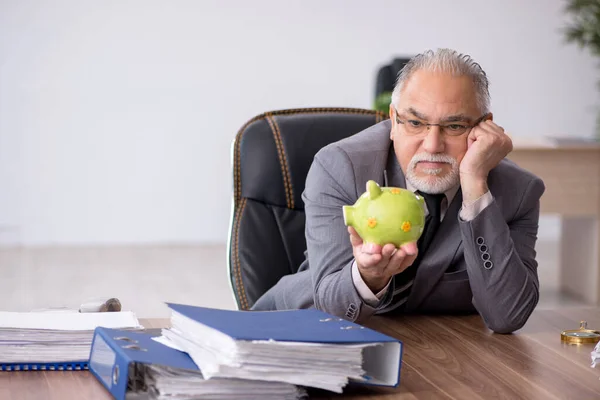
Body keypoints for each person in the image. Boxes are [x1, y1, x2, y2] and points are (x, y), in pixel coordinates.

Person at [251, 48, 545, 334]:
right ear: (393, 120)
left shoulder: (518, 191)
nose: (432, 145)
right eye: (415, 123)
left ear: (484, 128)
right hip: (297, 331)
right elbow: (331, 306)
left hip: (436, 347)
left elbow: (508, 316)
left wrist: (475, 187)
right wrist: (368, 276)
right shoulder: (340, 167)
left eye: (454, 126)